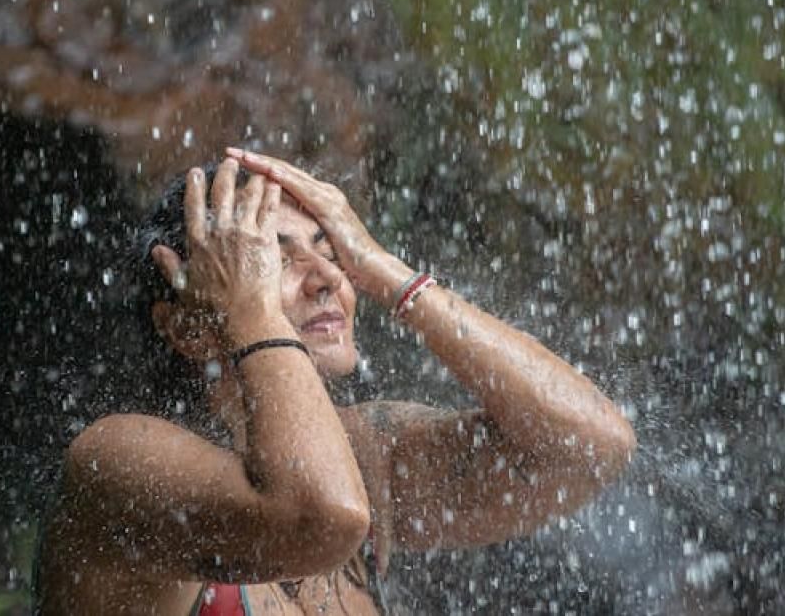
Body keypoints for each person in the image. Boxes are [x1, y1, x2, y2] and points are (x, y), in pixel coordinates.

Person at [34, 149, 637, 615]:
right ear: (187, 328)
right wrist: (251, 310)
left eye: (330, 252)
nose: (326, 277)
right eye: (274, 259)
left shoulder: (366, 456)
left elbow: (589, 446)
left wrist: (385, 271)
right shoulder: (116, 463)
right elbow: (320, 518)